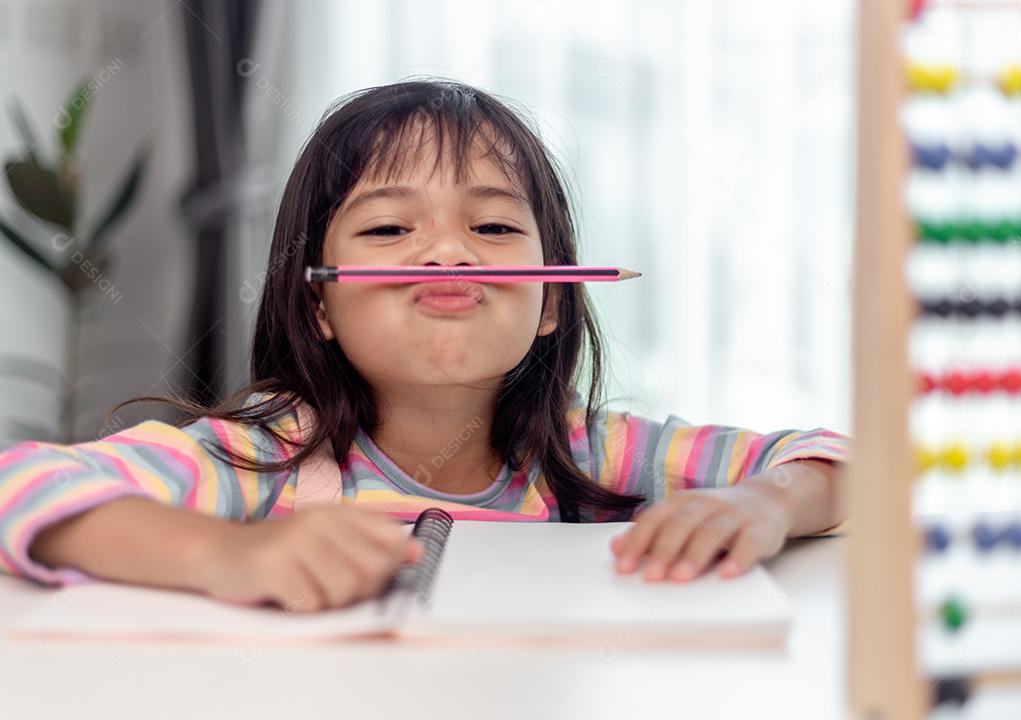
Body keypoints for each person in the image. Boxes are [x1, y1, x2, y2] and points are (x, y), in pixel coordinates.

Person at [0, 79, 850, 613]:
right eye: (390, 226)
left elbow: (851, 462)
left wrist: (764, 504)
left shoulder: (589, 450)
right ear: (322, 304)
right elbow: (23, 486)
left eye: (490, 224)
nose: (448, 252)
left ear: (552, 302)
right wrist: (228, 553)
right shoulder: (264, 457)